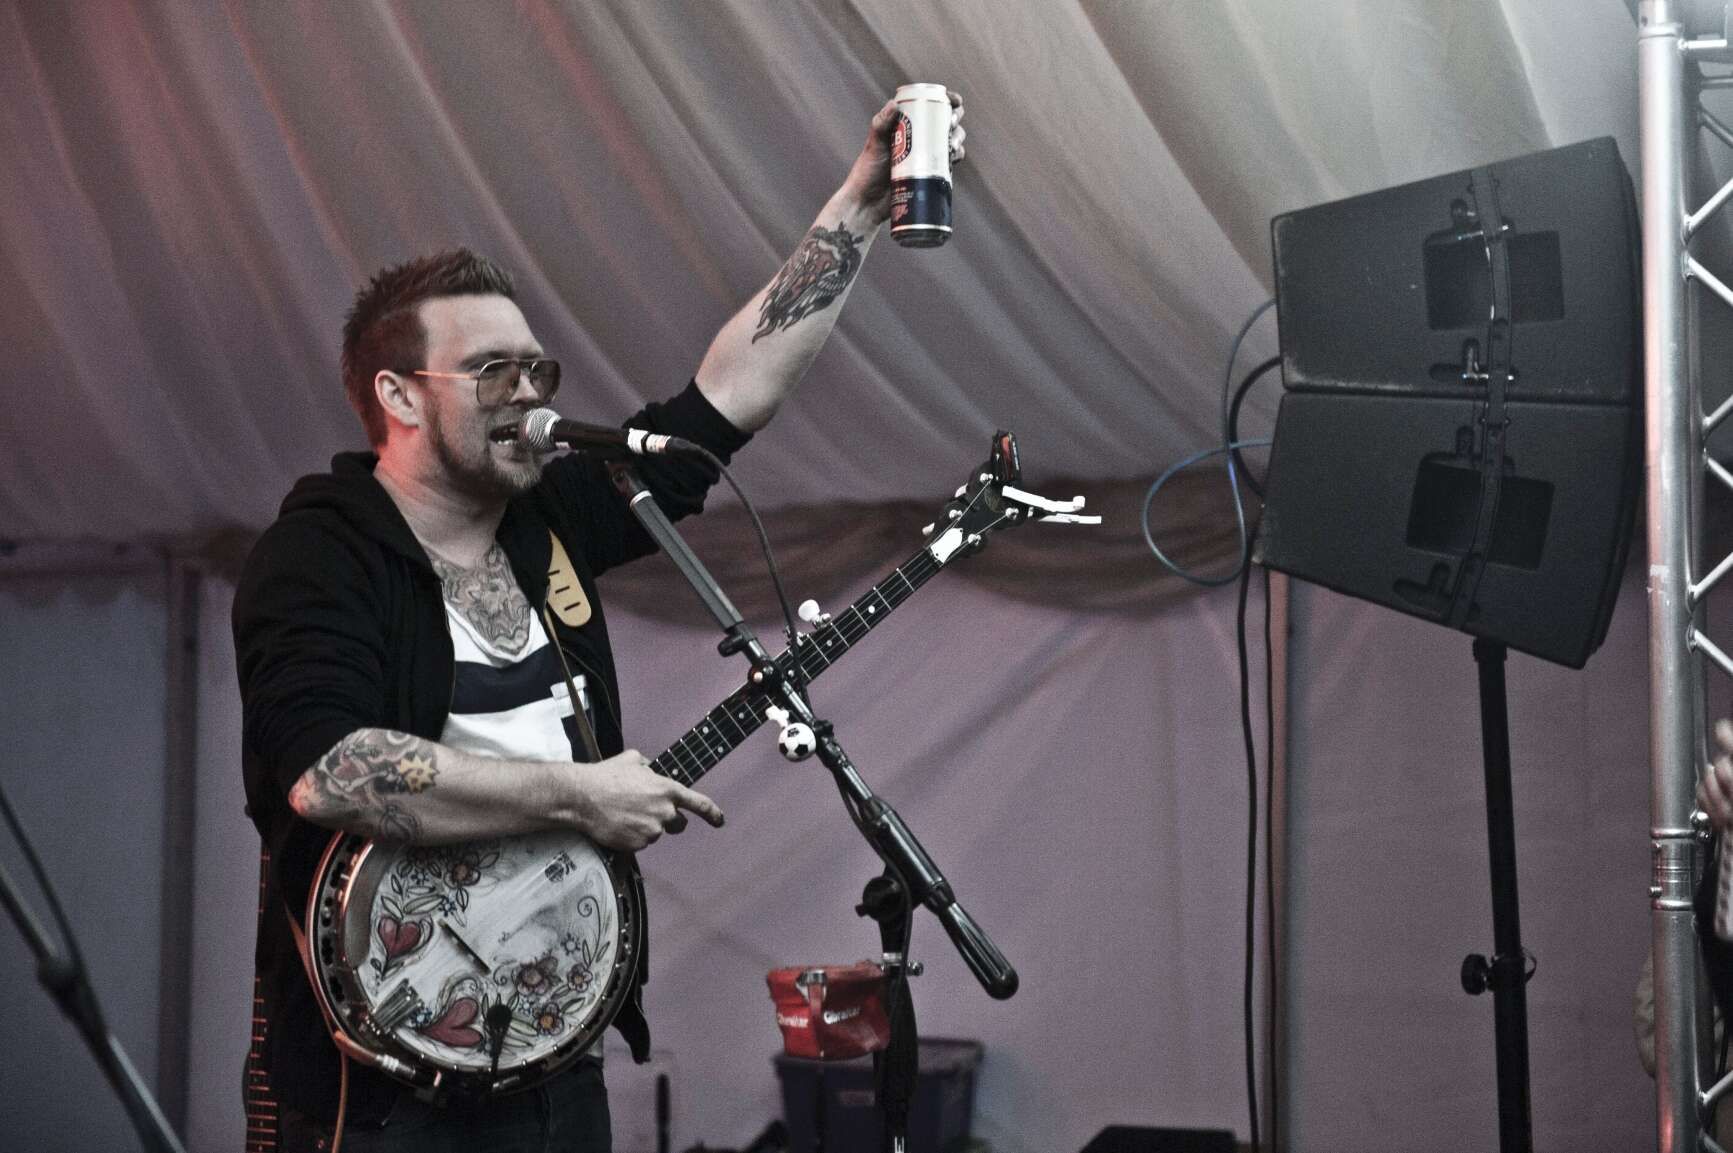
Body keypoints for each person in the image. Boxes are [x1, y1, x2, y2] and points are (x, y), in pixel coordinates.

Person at [234, 91, 964, 1152]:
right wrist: (579, 794)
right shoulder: (320, 554)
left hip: (555, 1052)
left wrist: (857, 205)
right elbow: (331, 771)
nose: (528, 391)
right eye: (491, 370)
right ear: (399, 395)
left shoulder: (552, 518)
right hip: (385, 1086)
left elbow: (725, 398)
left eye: (538, 368)